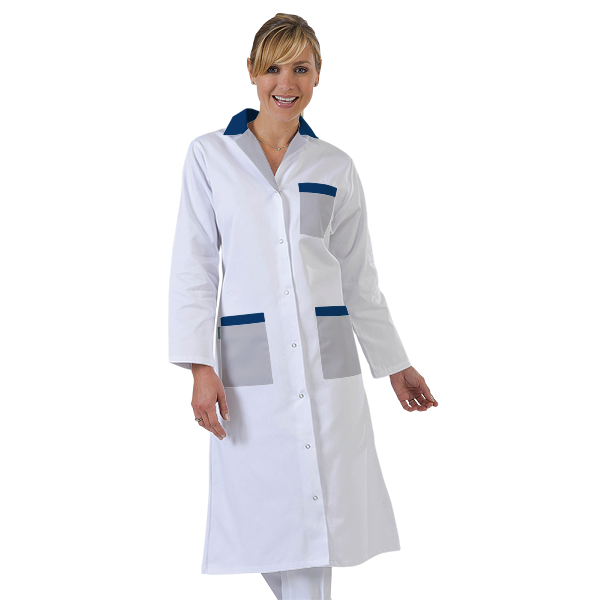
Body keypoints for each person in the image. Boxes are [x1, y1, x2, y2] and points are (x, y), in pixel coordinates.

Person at [168, 12, 438, 600]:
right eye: (273, 68)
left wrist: (395, 363)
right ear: (251, 71)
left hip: (326, 364)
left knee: (318, 520)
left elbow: (358, 276)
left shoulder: (334, 164)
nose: (285, 83)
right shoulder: (210, 156)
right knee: (265, 516)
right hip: (250, 367)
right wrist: (199, 365)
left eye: (300, 68)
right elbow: (194, 267)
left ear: (318, 75)